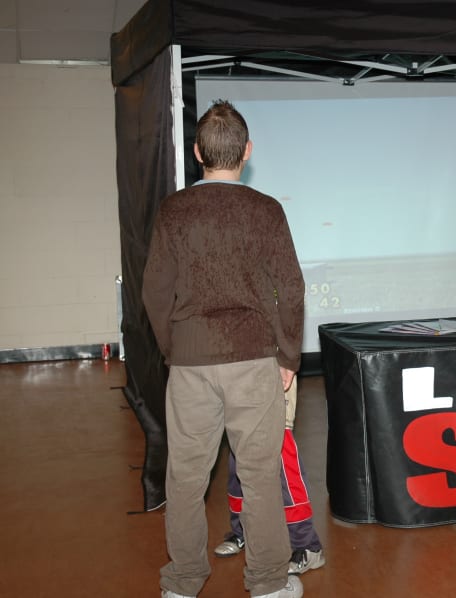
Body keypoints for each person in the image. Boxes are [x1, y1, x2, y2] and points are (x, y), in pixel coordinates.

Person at [143, 100, 305, 598]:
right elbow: (291, 289)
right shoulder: (266, 210)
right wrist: (289, 356)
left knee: (186, 479)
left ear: (197, 152)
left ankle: (182, 583)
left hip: (191, 362)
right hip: (254, 360)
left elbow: (155, 292)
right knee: (259, 477)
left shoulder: (173, 211)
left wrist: (175, 350)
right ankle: (269, 584)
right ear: (247, 151)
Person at [214, 377, 325, 576]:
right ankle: (242, 531)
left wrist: (286, 363)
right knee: (237, 459)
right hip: (236, 372)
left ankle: (307, 545)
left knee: (284, 461)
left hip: (272, 371)